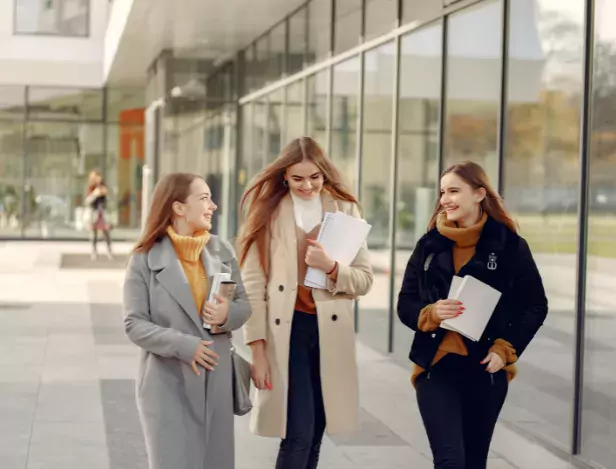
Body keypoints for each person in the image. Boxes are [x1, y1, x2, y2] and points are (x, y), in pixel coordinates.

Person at [397, 161, 549, 469]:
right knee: (450, 460)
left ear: (479, 194)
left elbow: (535, 305)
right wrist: (431, 313)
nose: (445, 200)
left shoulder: (509, 247)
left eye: (454, 191)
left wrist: (504, 349)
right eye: (442, 192)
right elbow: (405, 304)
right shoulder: (429, 246)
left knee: (474, 462)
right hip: (435, 367)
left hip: (486, 369)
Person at [238, 137, 373, 469]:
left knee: (315, 433)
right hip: (287, 333)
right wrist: (257, 350)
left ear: (324, 173)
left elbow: (364, 280)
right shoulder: (267, 212)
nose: (307, 185)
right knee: (297, 431)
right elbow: (252, 284)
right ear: (284, 176)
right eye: (297, 178)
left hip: (329, 333)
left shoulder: (345, 210)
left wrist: (330, 267)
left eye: (314, 177)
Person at [123, 172, 251, 469]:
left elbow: (245, 305)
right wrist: (184, 345)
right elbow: (134, 324)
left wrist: (226, 315)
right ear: (179, 207)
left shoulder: (222, 251)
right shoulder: (144, 259)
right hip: (168, 383)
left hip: (215, 382)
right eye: (204, 198)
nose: (213, 206)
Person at [85, 170, 113, 260]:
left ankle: (109, 251)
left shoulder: (104, 187)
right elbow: (87, 201)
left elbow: (109, 200)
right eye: (95, 177)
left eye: (98, 176)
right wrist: (95, 194)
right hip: (94, 213)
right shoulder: (91, 188)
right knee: (94, 234)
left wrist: (105, 194)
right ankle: (94, 251)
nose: (98, 179)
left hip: (103, 213)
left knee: (106, 233)